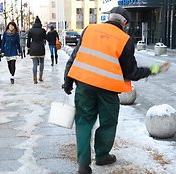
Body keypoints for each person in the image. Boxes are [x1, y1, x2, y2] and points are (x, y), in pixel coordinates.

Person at [62, 7, 164, 174]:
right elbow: (131, 72)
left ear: (108, 18)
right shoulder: (125, 40)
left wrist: (67, 81)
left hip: (84, 85)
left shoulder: (89, 29)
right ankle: (102, 156)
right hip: (108, 90)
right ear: (123, 23)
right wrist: (151, 70)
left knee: (83, 123)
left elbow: (74, 57)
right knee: (108, 122)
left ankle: (82, 165)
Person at [27, 16, 47, 84]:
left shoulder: (31, 30)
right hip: (41, 48)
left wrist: (28, 47)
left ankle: (34, 79)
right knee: (42, 63)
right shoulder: (43, 30)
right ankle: (40, 77)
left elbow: (28, 40)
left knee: (34, 64)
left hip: (33, 48)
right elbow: (45, 38)